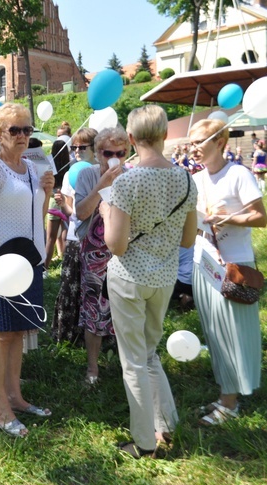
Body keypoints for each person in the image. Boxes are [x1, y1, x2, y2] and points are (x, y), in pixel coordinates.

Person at [102, 105, 197, 458]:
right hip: (164, 276)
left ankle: (144, 442)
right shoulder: (186, 179)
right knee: (149, 352)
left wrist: (106, 211)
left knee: (134, 361)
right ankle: (167, 424)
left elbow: (116, 244)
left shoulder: (127, 181)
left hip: (128, 277)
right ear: (165, 135)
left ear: (130, 139)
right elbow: (188, 240)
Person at [0, 103, 54, 437]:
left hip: (29, 261)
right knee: (2, 332)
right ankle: (0, 409)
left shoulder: (31, 169)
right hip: (5, 263)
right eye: (15, 130)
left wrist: (47, 193)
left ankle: (16, 397)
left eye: (27, 129)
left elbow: (37, 212)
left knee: (19, 332)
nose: (23, 136)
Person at [188, 118, 267, 426]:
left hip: (234, 266)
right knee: (215, 333)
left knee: (233, 333)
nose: (193, 149)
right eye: (191, 143)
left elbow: (261, 218)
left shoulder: (238, 174)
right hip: (204, 262)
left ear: (220, 143)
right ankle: (225, 394)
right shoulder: (195, 179)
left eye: (199, 143)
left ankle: (229, 403)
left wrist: (230, 219)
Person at [74, 128, 128, 385]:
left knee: (126, 308)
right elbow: (82, 213)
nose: (114, 158)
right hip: (94, 254)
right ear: (97, 154)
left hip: (124, 253)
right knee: (93, 308)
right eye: (108, 153)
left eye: (121, 153)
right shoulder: (87, 174)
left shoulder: (132, 177)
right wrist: (101, 184)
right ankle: (93, 368)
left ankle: (128, 364)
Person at [50, 128, 97, 345]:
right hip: (76, 237)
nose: (77, 151)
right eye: (74, 147)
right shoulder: (70, 174)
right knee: (71, 286)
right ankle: (70, 335)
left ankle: (97, 336)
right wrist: (63, 205)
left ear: (95, 148)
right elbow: (71, 212)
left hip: (100, 239)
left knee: (95, 289)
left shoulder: (102, 171)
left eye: (82, 147)